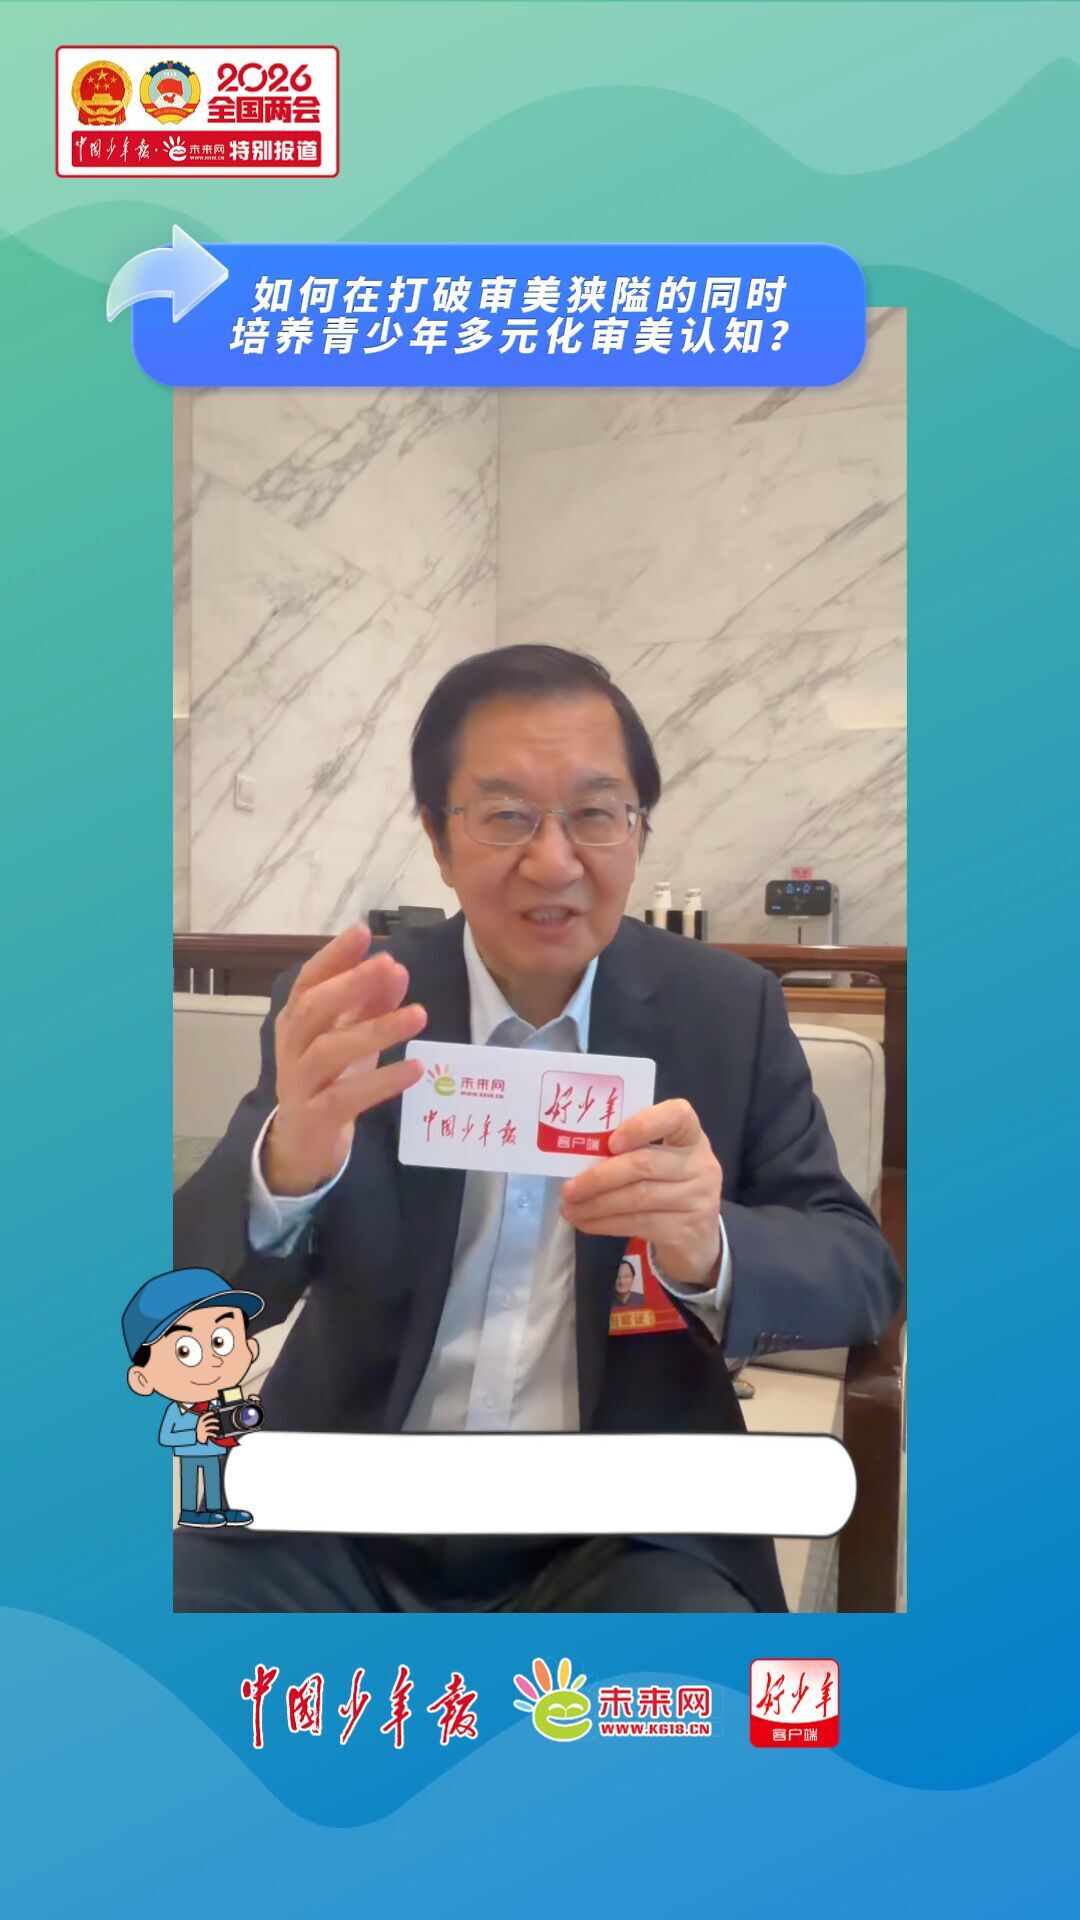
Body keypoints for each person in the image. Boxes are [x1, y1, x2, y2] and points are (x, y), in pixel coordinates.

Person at [174, 644, 900, 1612]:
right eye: (506, 815)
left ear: (637, 831)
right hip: (339, 1513)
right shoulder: (355, 1009)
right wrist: (286, 1173)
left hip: (625, 1529)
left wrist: (708, 1243)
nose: (553, 862)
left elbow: (859, 1273)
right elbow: (185, 1291)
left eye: (595, 814)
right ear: (438, 839)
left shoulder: (729, 1013)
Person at [124, 1268, 264, 1527]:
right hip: (191, 1452)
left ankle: (219, 1508)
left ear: (250, 1348)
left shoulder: (225, 1397)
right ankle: (190, 1512)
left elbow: (235, 1421)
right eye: (185, 1351)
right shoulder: (177, 1411)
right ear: (142, 1379)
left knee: (216, 1478)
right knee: (191, 1481)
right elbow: (166, 1437)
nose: (213, 1361)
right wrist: (195, 1433)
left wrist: (247, 1412)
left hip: (216, 1451)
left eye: (221, 1341)